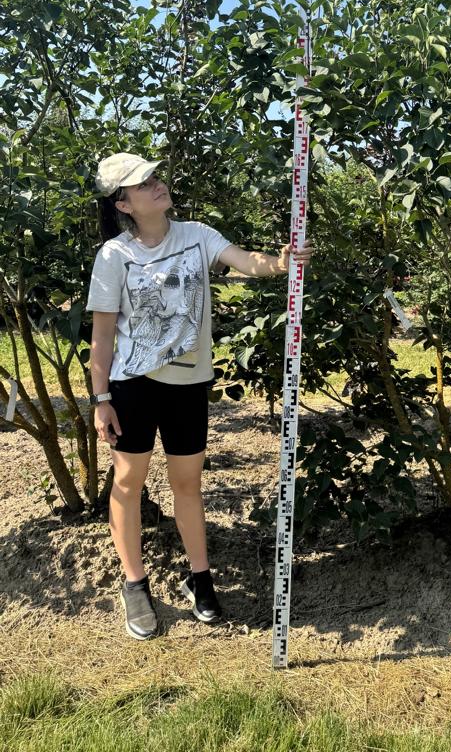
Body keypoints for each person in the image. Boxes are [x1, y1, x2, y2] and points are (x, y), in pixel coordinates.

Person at [85, 152, 314, 640]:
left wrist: (283, 262)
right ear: (123, 204)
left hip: (189, 385)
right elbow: (102, 338)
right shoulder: (113, 257)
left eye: (155, 177)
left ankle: (200, 578)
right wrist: (100, 399)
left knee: (188, 484)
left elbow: (245, 262)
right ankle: (134, 584)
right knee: (128, 482)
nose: (156, 185)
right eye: (142, 184)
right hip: (132, 387)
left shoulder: (197, 235)